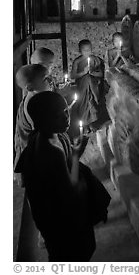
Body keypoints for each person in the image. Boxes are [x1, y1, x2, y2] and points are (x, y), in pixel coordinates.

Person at [15, 92, 99, 262]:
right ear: (40, 121)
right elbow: (71, 191)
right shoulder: (51, 151)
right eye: (57, 115)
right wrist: (76, 155)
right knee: (70, 256)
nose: (66, 118)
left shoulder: (54, 135)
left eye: (66, 111)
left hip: (56, 218)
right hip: (61, 222)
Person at [14, 64, 52, 175]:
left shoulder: (35, 96)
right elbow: (42, 135)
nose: (50, 80)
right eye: (45, 78)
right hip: (38, 155)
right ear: (30, 87)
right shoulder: (33, 105)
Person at [70, 40, 108, 134]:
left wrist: (93, 73)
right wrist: (83, 72)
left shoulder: (96, 60)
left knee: (93, 104)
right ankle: (85, 124)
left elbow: (102, 74)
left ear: (92, 49)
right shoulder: (77, 62)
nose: (87, 52)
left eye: (89, 50)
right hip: (83, 88)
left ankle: (94, 123)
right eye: (84, 50)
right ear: (80, 51)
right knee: (84, 105)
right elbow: (73, 76)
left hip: (94, 87)